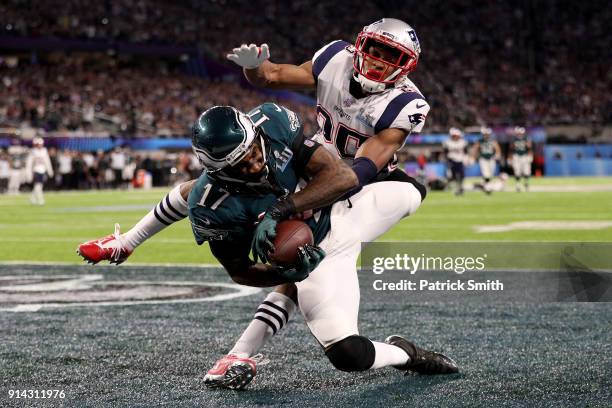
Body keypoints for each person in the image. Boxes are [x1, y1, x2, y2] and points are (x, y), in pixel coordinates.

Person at [79, 18, 434, 386]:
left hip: (374, 183)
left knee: (309, 237)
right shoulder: (334, 59)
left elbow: (350, 175)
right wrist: (255, 68)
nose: (376, 60)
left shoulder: (405, 103)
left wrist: (284, 208)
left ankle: (239, 352)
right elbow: (274, 76)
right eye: (373, 49)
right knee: (325, 310)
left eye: (389, 55)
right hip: (316, 171)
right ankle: (130, 249)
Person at [191, 105, 455, 388]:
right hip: (321, 254)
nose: (255, 166)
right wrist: (288, 274)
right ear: (217, 172)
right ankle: (407, 354)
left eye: (254, 152)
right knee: (348, 354)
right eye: (241, 166)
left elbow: (341, 176)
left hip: (345, 212)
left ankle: (240, 351)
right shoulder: (211, 208)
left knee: (413, 192)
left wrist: (280, 209)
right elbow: (239, 271)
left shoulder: (274, 124)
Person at [472, 127, 501, 194]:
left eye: (487, 134)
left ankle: (486, 185)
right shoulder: (480, 141)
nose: (486, 135)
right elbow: (475, 148)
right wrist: (473, 157)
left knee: (490, 173)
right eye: (485, 134)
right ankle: (488, 188)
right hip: (483, 158)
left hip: (491, 158)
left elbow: (497, 148)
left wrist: (498, 154)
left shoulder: (492, 140)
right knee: (485, 173)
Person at [25, 137, 54, 205]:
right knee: (38, 185)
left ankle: (32, 197)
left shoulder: (44, 151)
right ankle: (41, 199)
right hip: (36, 170)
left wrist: (50, 170)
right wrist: (28, 173)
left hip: (42, 170)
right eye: (38, 144)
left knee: (39, 185)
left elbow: (47, 161)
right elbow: (29, 163)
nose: (40, 145)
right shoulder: (33, 151)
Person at [442, 128, 467, 196]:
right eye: (454, 135)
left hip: (460, 160)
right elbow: (445, 152)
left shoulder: (462, 142)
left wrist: (466, 159)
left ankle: (460, 188)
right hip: (451, 160)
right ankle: (455, 188)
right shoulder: (448, 142)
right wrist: (446, 160)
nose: (456, 137)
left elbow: (465, 152)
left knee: (461, 175)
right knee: (452, 176)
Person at [508, 126, 532, 192]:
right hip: (516, 156)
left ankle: (526, 183)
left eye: (521, 133)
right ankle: (518, 185)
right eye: (519, 133)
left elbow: (530, 148)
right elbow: (511, 149)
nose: (520, 134)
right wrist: (509, 158)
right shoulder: (514, 139)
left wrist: (530, 155)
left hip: (525, 156)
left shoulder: (526, 138)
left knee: (526, 171)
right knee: (517, 171)